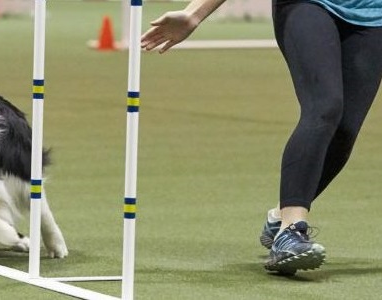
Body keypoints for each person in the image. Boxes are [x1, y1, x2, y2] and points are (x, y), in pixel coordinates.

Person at [141, 0, 382, 275]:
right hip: (307, 5)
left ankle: (280, 215)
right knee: (324, 107)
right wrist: (194, 14)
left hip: (373, 16)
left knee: (344, 132)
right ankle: (290, 232)